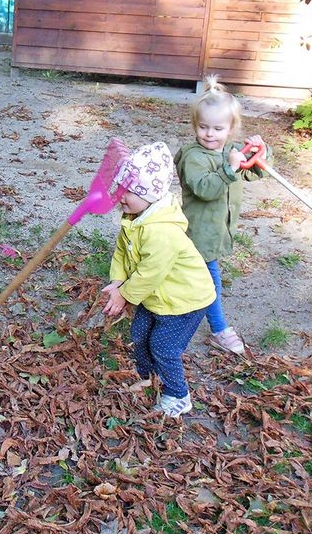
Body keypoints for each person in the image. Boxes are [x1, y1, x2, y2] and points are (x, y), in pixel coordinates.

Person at [101, 142, 216, 419]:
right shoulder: (134, 217)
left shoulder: (161, 231)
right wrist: (117, 281)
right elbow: (121, 251)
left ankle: (178, 395)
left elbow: (151, 271)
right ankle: (149, 377)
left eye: (131, 191)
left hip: (185, 301)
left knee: (164, 347)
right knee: (139, 335)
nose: (122, 196)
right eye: (121, 188)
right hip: (157, 298)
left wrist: (125, 295)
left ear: (150, 194)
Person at [174, 76, 271, 355]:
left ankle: (165, 298)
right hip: (198, 233)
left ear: (231, 129)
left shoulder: (231, 151)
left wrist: (259, 152)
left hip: (217, 231)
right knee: (209, 282)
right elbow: (205, 189)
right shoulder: (194, 157)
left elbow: (253, 172)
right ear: (195, 126)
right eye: (203, 127)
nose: (209, 134)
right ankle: (219, 329)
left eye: (218, 128)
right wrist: (229, 169)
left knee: (191, 274)